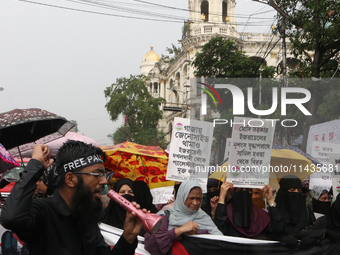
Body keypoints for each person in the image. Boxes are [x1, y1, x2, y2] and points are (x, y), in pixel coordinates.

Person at [0, 141, 144, 255]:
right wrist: (35, 164)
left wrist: (128, 237)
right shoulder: (43, 211)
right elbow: (11, 217)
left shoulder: (86, 218)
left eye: (104, 175)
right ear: (70, 179)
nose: (104, 181)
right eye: (97, 174)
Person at [144, 180, 222, 255]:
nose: (195, 203)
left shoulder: (203, 217)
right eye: (191, 198)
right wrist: (179, 231)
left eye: (198, 199)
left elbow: (220, 242)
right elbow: (152, 245)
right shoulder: (165, 216)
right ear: (182, 197)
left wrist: (196, 234)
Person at [274, 175, 316, 248]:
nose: (296, 194)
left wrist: (311, 238)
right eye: (292, 190)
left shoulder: (307, 212)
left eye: (299, 191)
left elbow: (316, 232)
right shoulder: (274, 213)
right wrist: (280, 239)